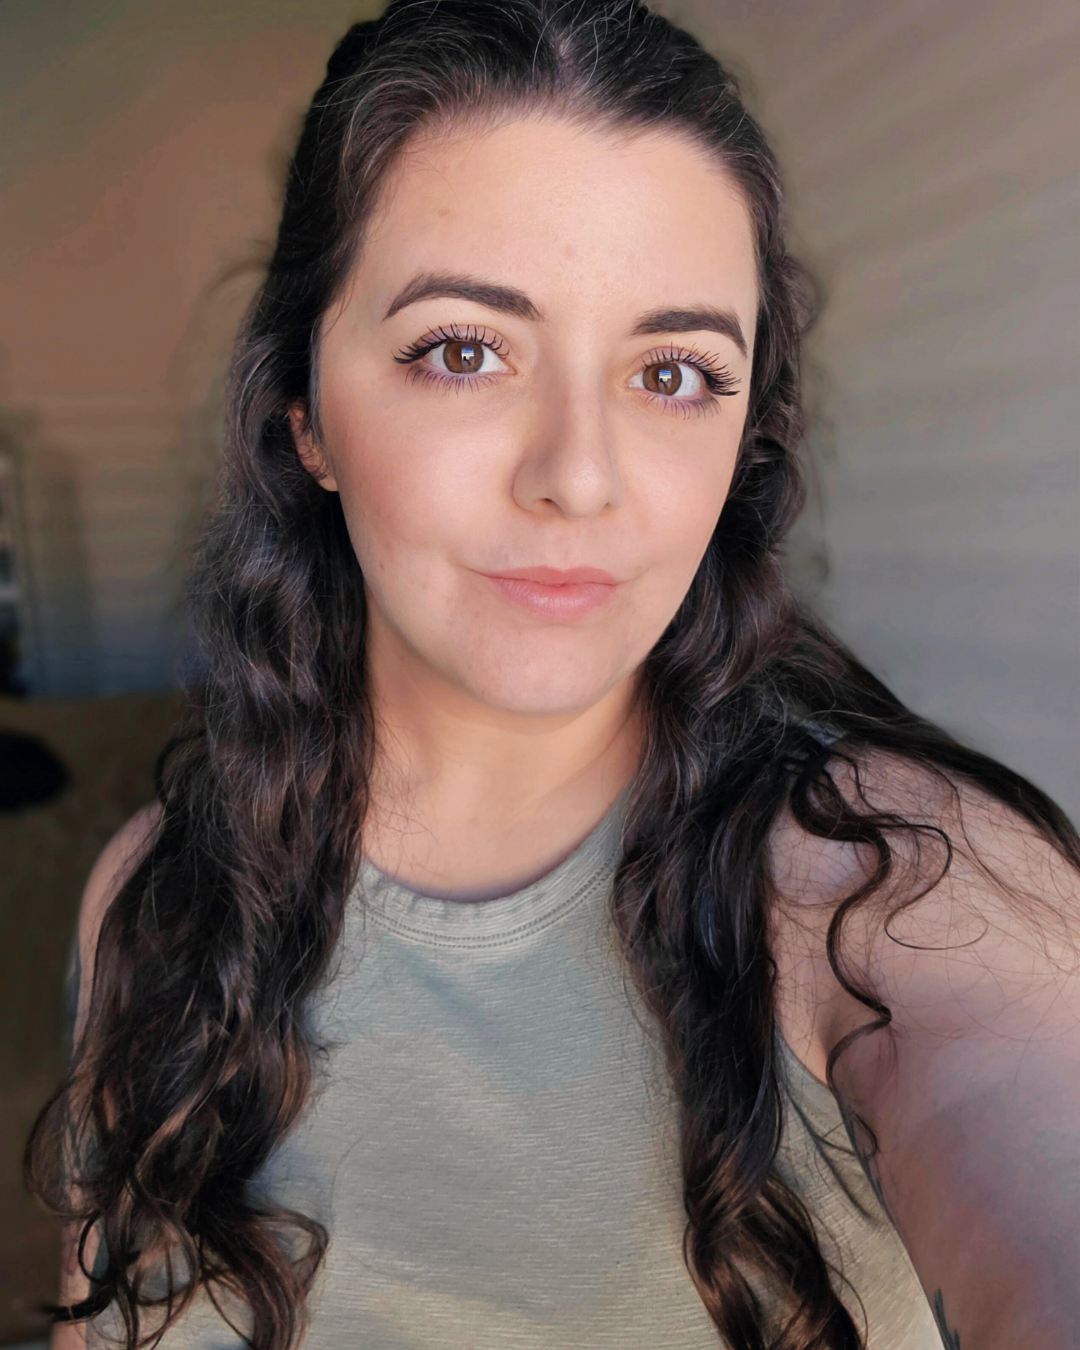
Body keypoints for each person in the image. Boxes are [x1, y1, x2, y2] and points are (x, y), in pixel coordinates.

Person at [27, 2, 1080, 1348]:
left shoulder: (889, 886)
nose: (579, 475)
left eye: (676, 372)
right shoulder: (152, 899)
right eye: (463, 350)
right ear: (306, 417)